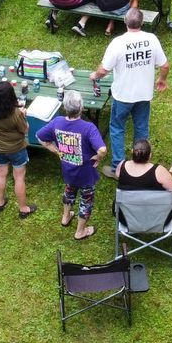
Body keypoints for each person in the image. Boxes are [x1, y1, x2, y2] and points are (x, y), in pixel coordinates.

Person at [91, 6, 168, 167]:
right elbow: (165, 65)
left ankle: (118, 166)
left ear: (125, 21)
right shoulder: (152, 39)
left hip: (123, 95)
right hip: (144, 94)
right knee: (141, 129)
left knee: (117, 128)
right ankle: (140, 164)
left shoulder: (118, 43)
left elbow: (104, 70)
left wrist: (95, 76)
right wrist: (162, 80)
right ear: (142, 22)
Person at [36, 90, 108, 241]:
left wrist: (57, 152)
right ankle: (80, 232)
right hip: (86, 174)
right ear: (82, 108)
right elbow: (102, 149)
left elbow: (40, 137)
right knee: (86, 200)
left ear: (65, 107)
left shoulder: (57, 122)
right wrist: (98, 157)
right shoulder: (88, 128)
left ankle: (66, 216)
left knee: (69, 190)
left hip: (68, 170)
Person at [0, 80, 38, 217]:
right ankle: (23, 208)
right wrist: (23, 115)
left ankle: (0, 202)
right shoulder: (16, 114)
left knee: (0, 174)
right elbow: (25, 130)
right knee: (19, 177)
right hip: (16, 149)